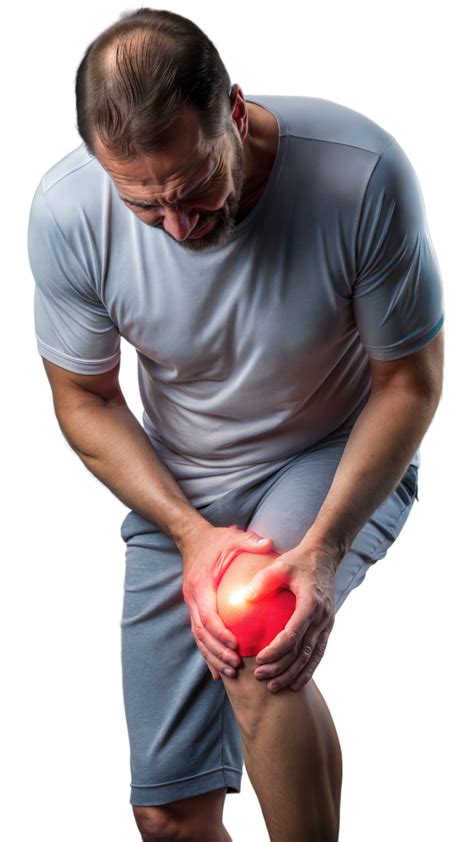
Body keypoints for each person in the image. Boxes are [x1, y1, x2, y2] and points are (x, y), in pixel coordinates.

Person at [27, 8, 445, 841]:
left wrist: (322, 548)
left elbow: (409, 380)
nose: (178, 226)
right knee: (169, 816)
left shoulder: (359, 174)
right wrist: (188, 534)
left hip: (330, 447)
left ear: (236, 112)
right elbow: (87, 399)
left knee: (259, 634)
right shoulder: (68, 213)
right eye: (145, 205)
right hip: (183, 486)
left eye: (191, 191)